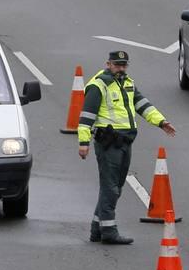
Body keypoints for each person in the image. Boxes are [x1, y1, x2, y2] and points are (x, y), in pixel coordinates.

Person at [76, 50, 177, 245]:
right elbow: (86, 116)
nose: (121, 68)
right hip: (109, 144)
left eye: (124, 65)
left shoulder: (127, 83)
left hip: (125, 142)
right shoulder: (99, 85)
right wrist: (83, 143)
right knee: (110, 188)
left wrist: (161, 122)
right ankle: (109, 231)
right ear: (108, 64)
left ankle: (97, 229)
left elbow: (142, 104)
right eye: (117, 65)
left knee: (114, 187)